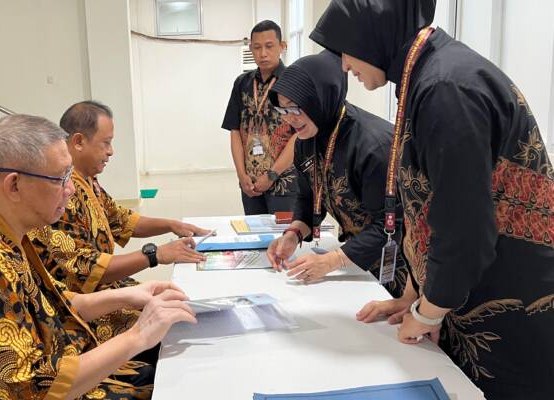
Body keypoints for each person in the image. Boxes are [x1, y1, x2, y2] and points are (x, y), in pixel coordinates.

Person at [310, 1, 554, 398]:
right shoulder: (427, 76)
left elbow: (463, 224)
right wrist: (412, 296)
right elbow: (425, 204)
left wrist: (429, 311)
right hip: (468, 291)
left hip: (508, 303)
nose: (344, 67)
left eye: (344, 50)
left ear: (372, 33)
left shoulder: (446, 88)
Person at [0, 114, 196, 400]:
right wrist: (139, 335)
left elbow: (53, 301)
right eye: (61, 178)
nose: (71, 188)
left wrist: (129, 296)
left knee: (184, 370)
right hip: (47, 388)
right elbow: (35, 390)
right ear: (14, 185)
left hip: (63, 359)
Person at [29, 100, 209, 343]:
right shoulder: (63, 194)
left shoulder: (87, 182)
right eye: (106, 143)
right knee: (176, 328)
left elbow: (123, 221)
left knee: (179, 304)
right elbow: (86, 268)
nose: (111, 151)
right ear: (79, 142)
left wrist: (171, 224)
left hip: (107, 292)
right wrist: (155, 255)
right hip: (86, 313)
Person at [265, 51, 410, 299]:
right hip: (357, 261)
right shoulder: (306, 140)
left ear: (319, 99)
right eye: (283, 110)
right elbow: (308, 199)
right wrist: (293, 233)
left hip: (400, 268)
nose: (289, 119)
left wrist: (333, 260)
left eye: (295, 108)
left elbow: (391, 225)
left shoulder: (372, 147)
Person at [222, 20, 297, 215]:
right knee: (254, 238)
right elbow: (235, 130)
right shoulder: (242, 83)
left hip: (284, 183)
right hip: (250, 185)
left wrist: (272, 175)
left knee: (284, 238)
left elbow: (300, 135)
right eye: (257, 47)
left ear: (282, 46)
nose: (263, 53)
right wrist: (241, 175)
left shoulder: (294, 82)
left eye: (269, 46)